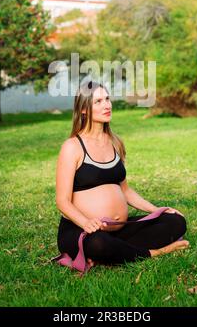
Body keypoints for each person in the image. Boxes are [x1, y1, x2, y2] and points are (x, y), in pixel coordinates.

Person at [55, 80, 189, 270]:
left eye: (108, 99)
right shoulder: (72, 147)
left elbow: (125, 191)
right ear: (84, 110)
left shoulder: (115, 142)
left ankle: (116, 252)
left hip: (118, 230)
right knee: (98, 244)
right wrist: (86, 222)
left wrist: (157, 210)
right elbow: (62, 201)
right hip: (81, 229)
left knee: (176, 221)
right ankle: (154, 253)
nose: (107, 105)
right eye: (98, 101)